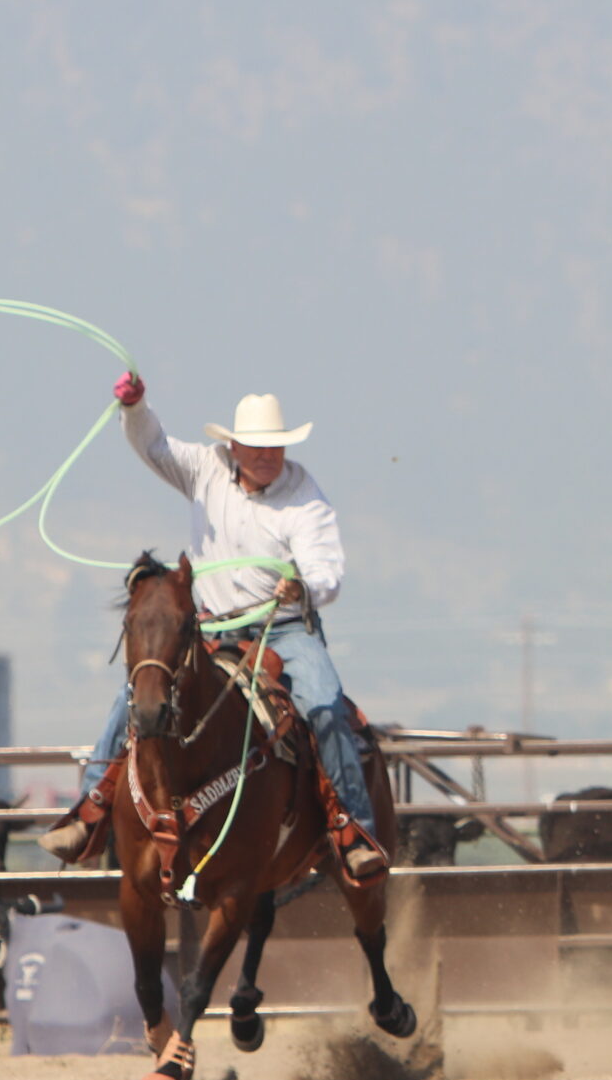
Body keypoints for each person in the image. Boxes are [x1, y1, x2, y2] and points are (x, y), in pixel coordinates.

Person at [37, 373, 387, 881]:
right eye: (257, 446)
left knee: (326, 707)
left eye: (275, 447)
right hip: (209, 629)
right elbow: (153, 446)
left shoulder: (304, 496)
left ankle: (355, 829)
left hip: (283, 631)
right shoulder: (205, 469)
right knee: (134, 698)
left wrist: (304, 588)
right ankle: (91, 809)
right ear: (234, 445)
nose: (268, 456)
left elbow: (326, 568)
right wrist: (135, 409)